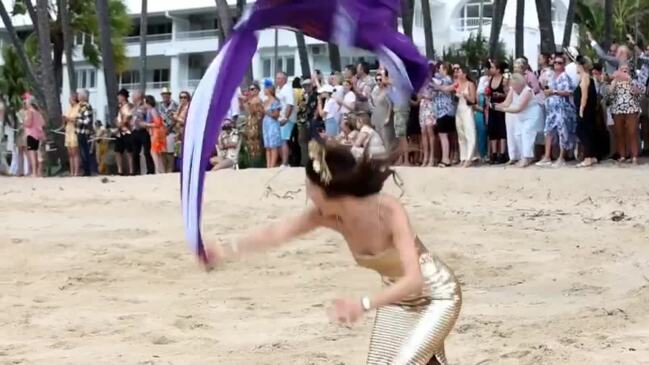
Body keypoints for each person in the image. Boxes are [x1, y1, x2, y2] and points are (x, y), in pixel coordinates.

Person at [204, 141, 462, 365]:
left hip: (436, 295)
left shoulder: (388, 210)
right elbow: (276, 233)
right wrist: (225, 251)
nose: (308, 195)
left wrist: (361, 305)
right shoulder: (326, 216)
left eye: (310, 188)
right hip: (395, 298)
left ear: (328, 189)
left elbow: (414, 280)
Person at [495, 74, 544, 168]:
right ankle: (523, 157)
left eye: (514, 85)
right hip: (521, 117)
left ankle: (526, 158)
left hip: (532, 115)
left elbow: (519, 108)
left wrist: (502, 110)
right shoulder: (513, 89)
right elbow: (507, 103)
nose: (512, 87)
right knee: (518, 135)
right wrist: (496, 105)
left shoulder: (527, 91)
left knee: (527, 134)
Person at [536, 54, 576, 167]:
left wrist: (554, 92)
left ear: (564, 65)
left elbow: (569, 91)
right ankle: (547, 156)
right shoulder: (553, 76)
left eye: (560, 63)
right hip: (552, 109)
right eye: (555, 63)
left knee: (562, 132)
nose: (557, 65)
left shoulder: (565, 76)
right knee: (548, 131)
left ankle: (561, 157)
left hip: (562, 108)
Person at [605, 64, 644, 164]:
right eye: (622, 70)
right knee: (620, 133)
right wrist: (614, 82)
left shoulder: (633, 81)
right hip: (617, 110)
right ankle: (622, 155)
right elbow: (608, 94)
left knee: (632, 133)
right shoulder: (615, 82)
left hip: (631, 109)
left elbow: (641, 91)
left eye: (626, 69)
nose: (624, 71)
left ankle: (634, 156)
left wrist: (630, 81)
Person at [573, 56, 599, 168]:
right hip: (589, 110)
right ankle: (592, 156)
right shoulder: (588, 77)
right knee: (589, 131)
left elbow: (584, 95)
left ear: (581, 66)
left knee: (582, 131)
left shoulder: (585, 78)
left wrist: (581, 109)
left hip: (585, 109)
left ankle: (588, 157)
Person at [432, 63, 457, 167]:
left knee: (443, 135)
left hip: (444, 111)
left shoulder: (446, 79)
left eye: (441, 68)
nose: (439, 71)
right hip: (444, 111)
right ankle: (446, 157)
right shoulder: (446, 79)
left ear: (445, 69)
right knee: (444, 135)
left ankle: (445, 159)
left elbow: (436, 83)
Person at [454, 66, 477, 167]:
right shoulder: (457, 84)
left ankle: (469, 157)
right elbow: (447, 88)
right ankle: (462, 157)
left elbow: (473, 100)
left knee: (469, 133)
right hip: (459, 110)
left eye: (459, 72)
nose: (457, 73)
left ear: (465, 74)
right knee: (461, 134)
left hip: (467, 110)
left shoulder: (470, 84)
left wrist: (465, 95)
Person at [486, 60, 508, 164]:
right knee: (492, 130)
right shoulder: (490, 79)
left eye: (492, 68)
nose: (491, 69)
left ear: (498, 69)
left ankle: (502, 154)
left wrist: (501, 95)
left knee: (502, 129)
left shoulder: (504, 80)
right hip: (492, 107)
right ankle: (494, 153)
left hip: (501, 107)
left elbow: (508, 94)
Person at [370, 69, 395, 152]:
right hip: (377, 115)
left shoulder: (388, 90)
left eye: (380, 80)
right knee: (379, 137)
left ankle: (388, 156)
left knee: (386, 137)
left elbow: (391, 105)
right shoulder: (375, 90)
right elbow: (374, 104)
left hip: (385, 115)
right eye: (376, 80)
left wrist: (388, 117)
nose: (378, 82)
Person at [131, 90, 155, 175]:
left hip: (144, 131)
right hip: (135, 131)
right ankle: (136, 171)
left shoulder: (145, 107)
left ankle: (150, 170)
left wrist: (146, 124)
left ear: (138, 97)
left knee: (146, 152)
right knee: (135, 152)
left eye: (133, 96)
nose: (132, 97)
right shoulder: (133, 108)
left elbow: (150, 117)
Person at [241, 84, 265, 168]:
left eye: (253, 89)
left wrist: (246, 102)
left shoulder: (257, 100)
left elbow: (252, 111)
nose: (251, 91)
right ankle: (252, 164)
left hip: (255, 126)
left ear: (258, 90)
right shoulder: (251, 100)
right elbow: (245, 110)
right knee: (249, 147)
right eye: (250, 89)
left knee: (256, 147)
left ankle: (257, 165)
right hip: (250, 125)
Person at [276, 72, 296, 167]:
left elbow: (290, 104)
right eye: (277, 78)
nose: (278, 80)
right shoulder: (278, 89)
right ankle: (283, 161)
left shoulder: (288, 89)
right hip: (279, 118)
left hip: (286, 119)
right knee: (280, 140)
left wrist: (285, 118)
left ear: (285, 79)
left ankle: (285, 163)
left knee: (284, 140)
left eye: (280, 78)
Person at [418, 62, 437, 166]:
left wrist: (424, 96)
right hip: (422, 107)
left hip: (430, 107)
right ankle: (425, 157)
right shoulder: (421, 83)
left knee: (430, 132)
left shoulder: (433, 82)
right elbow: (418, 95)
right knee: (423, 132)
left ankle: (432, 158)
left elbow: (433, 96)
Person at [143, 95, 167, 174]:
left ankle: (158, 170)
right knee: (157, 152)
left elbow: (157, 123)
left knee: (154, 151)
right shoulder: (151, 110)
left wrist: (146, 124)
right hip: (156, 132)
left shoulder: (152, 110)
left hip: (156, 132)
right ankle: (161, 170)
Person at [23, 96, 45, 177]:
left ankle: (34, 172)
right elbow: (43, 123)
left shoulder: (30, 111)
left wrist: (23, 122)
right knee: (38, 153)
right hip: (38, 134)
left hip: (31, 133)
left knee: (32, 154)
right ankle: (40, 172)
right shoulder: (38, 112)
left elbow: (28, 123)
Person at [297, 78, 317, 166]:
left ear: (312, 86)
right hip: (303, 122)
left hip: (313, 121)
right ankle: (304, 162)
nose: (306, 88)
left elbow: (313, 109)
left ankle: (313, 161)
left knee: (313, 142)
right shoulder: (303, 97)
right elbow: (300, 110)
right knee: (302, 141)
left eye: (308, 85)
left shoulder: (315, 96)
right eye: (304, 86)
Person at [262, 81, 282, 168]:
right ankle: (268, 165)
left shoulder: (275, 101)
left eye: (265, 88)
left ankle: (272, 166)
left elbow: (276, 115)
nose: (263, 90)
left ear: (269, 89)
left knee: (273, 146)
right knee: (267, 146)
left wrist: (267, 112)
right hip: (266, 124)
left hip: (272, 124)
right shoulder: (265, 101)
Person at [158, 87, 179, 173]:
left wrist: (168, 129)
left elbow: (176, 119)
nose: (165, 96)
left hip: (171, 131)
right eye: (163, 95)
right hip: (161, 131)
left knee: (170, 153)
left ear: (169, 95)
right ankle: (165, 171)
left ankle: (170, 170)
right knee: (162, 153)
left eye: (166, 94)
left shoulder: (175, 105)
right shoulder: (159, 105)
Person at [115, 88, 134, 176]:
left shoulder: (129, 106)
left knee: (129, 151)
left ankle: (131, 170)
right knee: (118, 150)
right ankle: (120, 170)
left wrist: (120, 125)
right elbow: (117, 118)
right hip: (119, 131)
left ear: (123, 97)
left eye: (119, 96)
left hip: (127, 131)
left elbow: (127, 117)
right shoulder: (119, 107)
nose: (118, 98)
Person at [75, 89, 95, 176]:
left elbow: (87, 120)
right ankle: (85, 169)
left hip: (84, 132)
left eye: (79, 95)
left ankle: (87, 171)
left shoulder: (86, 106)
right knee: (82, 151)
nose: (78, 96)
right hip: (80, 132)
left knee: (85, 151)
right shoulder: (81, 106)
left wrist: (78, 121)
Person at [172, 91, 191, 171]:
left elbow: (187, 121)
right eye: (181, 97)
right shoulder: (180, 107)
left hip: (186, 132)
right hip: (178, 132)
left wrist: (176, 118)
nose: (182, 99)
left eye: (184, 97)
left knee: (185, 151)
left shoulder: (189, 108)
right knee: (177, 152)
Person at [474, 64, 490, 160]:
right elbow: (478, 92)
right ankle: (482, 153)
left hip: (488, 101)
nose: (486, 70)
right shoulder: (482, 79)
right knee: (481, 129)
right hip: (480, 102)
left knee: (490, 130)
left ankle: (490, 153)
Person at [62, 92, 80, 177]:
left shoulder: (78, 107)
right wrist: (65, 119)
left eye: (70, 98)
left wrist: (68, 118)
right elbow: (65, 117)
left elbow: (76, 119)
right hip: (68, 130)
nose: (69, 100)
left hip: (74, 131)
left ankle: (76, 172)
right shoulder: (69, 108)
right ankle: (71, 171)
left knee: (75, 152)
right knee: (70, 153)